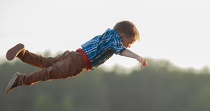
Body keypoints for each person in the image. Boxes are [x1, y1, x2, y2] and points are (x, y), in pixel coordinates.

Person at [5, 20, 147, 94]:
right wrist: (137, 57)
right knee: (46, 74)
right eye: (130, 43)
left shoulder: (108, 34)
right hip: (77, 64)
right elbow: (122, 51)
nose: (129, 46)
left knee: (45, 62)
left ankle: (23, 53)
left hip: (74, 54)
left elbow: (120, 48)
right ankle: (21, 79)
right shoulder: (115, 40)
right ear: (123, 36)